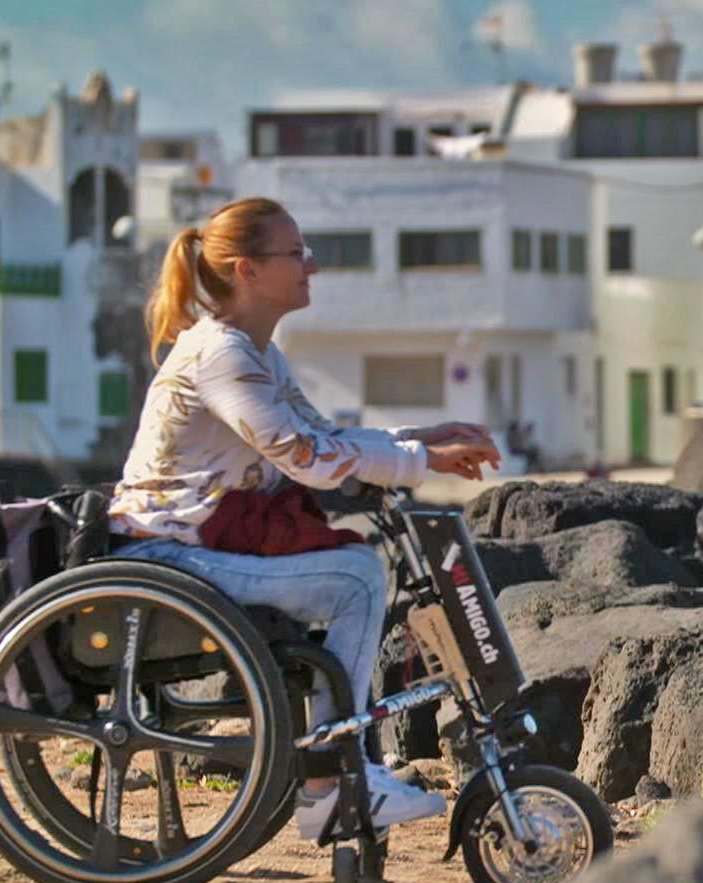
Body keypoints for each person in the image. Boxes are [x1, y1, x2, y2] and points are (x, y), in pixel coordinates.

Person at [109, 197, 501, 841]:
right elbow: (307, 458)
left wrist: (430, 434)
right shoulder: (221, 355)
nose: (310, 266)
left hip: (190, 544)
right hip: (161, 555)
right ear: (247, 271)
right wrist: (422, 458)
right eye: (295, 254)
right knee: (354, 578)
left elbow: (318, 435)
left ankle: (341, 770)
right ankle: (327, 782)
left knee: (354, 570)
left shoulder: (258, 354)